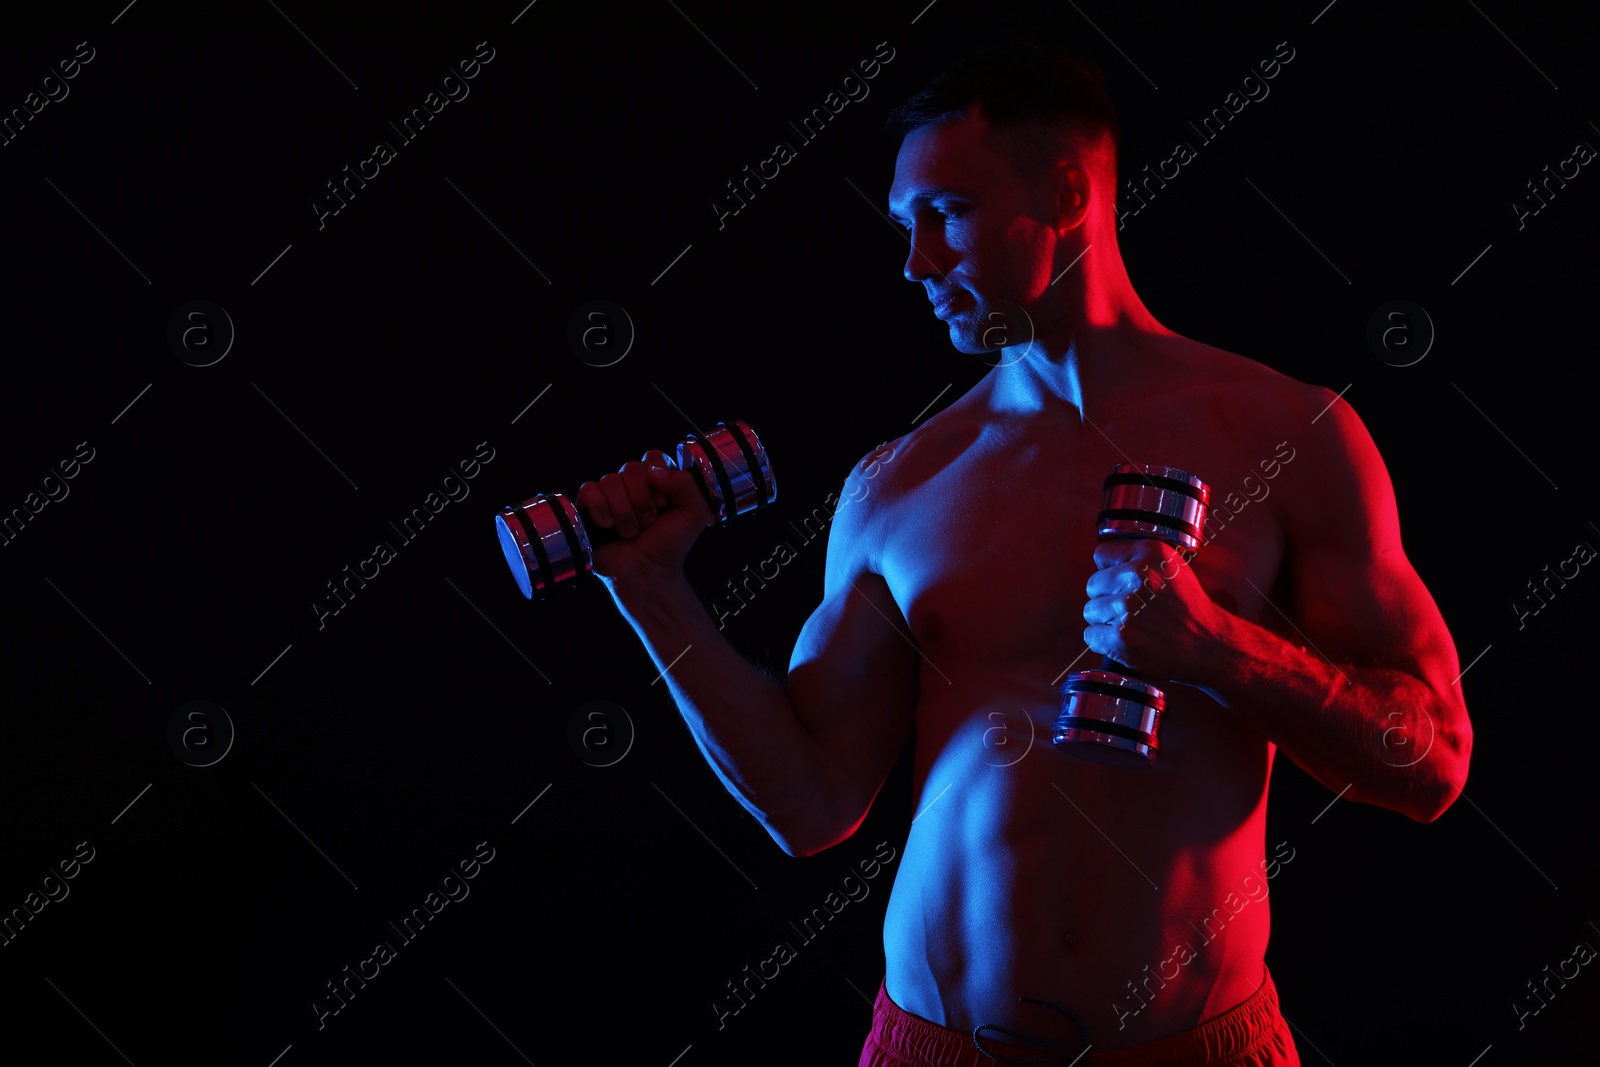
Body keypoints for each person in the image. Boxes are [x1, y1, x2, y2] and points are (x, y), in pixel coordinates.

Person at [575, 40, 1473, 1067]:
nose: (915, 263)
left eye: (944, 215)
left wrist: (1217, 650)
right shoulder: (899, 480)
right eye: (904, 228)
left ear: (1062, 192)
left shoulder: (1288, 436)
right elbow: (809, 805)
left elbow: (1432, 764)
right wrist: (652, 590)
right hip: (934, 1045)